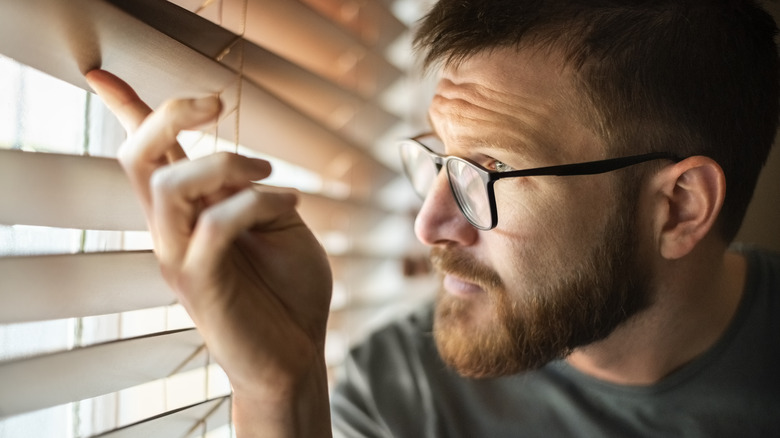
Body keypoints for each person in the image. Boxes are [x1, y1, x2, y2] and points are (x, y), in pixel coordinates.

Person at [85, 0, 780, 436]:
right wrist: (278, 392)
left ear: (679, 207)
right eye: (439, 160)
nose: (431, 223)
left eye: (491, 172)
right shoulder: (397, 395)